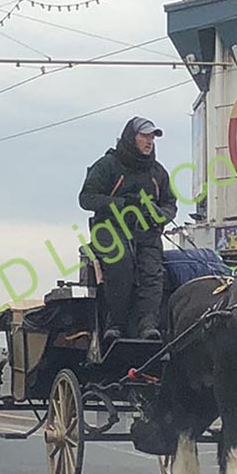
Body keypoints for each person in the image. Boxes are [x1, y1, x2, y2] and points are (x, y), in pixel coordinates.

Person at [79, 116, 177, 343]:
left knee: (153, 273)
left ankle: (148, 324)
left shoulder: (158, 172)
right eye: (144, 136)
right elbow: (86, 199)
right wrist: (122, 204)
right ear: (131, 137)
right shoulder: (107, 165)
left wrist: (160, 216)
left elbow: (170, 203)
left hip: (146, 232)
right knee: (120, 264)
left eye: (152, 137)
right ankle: (115, 322)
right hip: (109, 229)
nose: (149, 141)